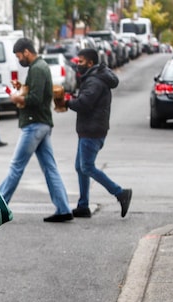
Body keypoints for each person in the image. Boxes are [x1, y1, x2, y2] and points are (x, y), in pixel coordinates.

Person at [0, 37, 73, 223]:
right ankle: (64, 209)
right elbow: (34, 92)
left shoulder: (38, 69)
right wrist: (22, 88)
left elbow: (36, 99)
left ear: (27, 51)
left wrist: (18, 99)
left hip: (34, 124)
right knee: (50, 168)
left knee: (16, 166)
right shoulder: (38, 67)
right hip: (41, 123)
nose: (19, 60)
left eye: (19, 56)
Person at [64, 48, 132, 218]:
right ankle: (83, 205)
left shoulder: (94, 81)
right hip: (89, 128)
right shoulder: (94, 77)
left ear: (90, 63)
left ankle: (120, 193)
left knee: (86, 167)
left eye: (80, 62)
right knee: (80, 168)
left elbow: (84, 103)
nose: (77, 65)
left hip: (92, 130)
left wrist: (67, 102)